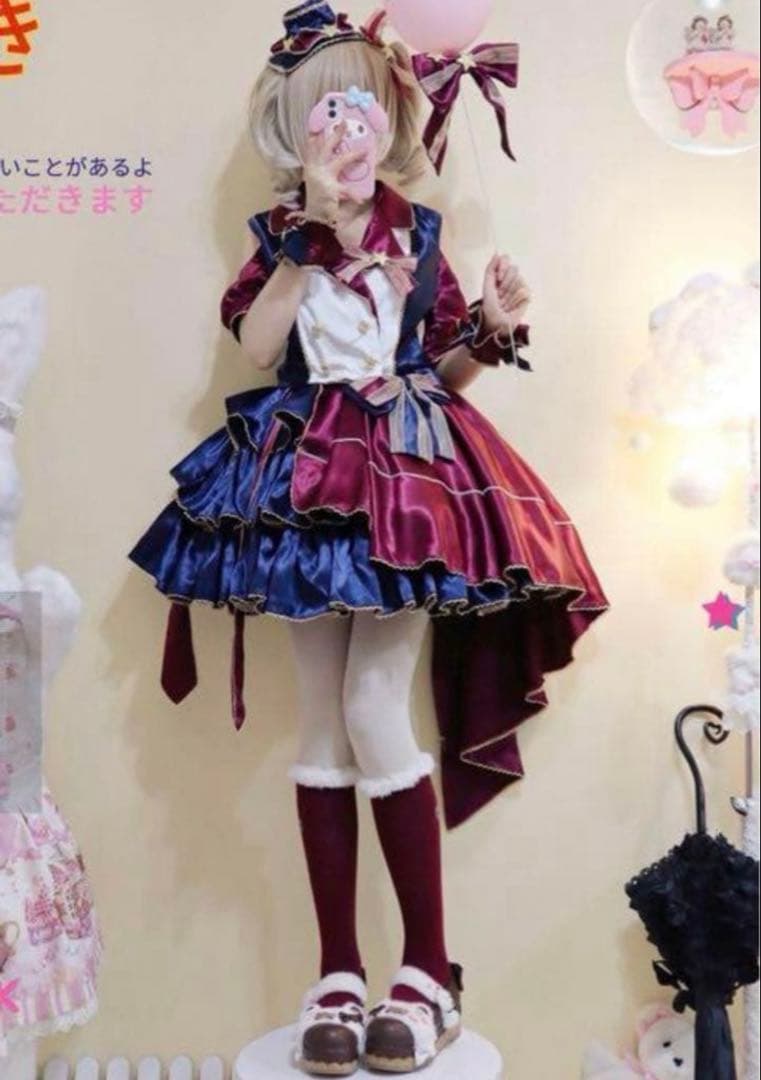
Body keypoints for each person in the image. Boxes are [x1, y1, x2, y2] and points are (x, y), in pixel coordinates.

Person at [129, 3, 609, 1074]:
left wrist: (489, 330)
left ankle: (428, 971)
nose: (345, 125)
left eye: (360, 106)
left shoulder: (418, 234)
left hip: (401, 478)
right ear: (295, 125)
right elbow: (262, 347)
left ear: (391, 116)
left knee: (370, 704)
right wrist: (308, 234)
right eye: (324, 111)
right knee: (321, 723)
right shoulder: (276, 236)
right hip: (306, 478)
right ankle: (339, 972)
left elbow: (438, 369)